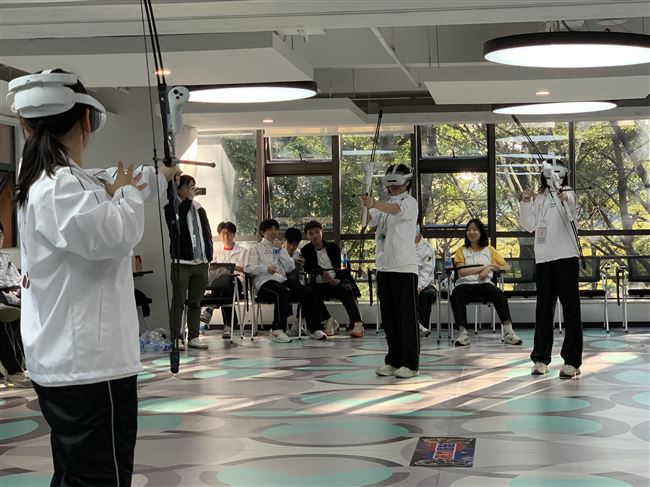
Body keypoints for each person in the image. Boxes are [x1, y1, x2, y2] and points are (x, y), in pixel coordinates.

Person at [8, 68, 176, 485]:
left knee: (77, 473)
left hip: (72, 361)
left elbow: (107, 185)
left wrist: (152, 178)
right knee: (100, 477)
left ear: (26, 126)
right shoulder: (59, 186)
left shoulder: (49, 179)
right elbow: (114, 233)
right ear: (88, 119)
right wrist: (129, 192)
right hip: (89, 365)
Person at [520, 159, 583, 378]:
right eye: (547, 173)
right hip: (544, 259)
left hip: (566, 257)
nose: (552, 176)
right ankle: (540, 358)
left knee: (571, 310)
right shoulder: (539, 198)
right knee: (543, 310)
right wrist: (526, 202)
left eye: (556, 172)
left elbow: (570, 208)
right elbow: (529, 225)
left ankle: (572, 361)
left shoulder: (568, 192)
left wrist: (563, 195)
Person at [362, 164, 420, 379]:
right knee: (389, 318)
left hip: (404, 268)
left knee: (406, 318)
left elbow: (395, 210)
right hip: (384, 267)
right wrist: (366, 205)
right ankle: (393, 361)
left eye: (398, 183)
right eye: (390, 183)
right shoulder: (382, 207)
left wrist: (375, 203)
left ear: (407, 182)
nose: (394, 187)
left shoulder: (409, 202)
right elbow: (367, 221)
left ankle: (410, 363)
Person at [246, 219, 327, 342]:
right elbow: (249, 268)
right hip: (264, 284)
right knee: (282, 291)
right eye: (270, 229)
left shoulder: (279, 248)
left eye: (276, 229)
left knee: (308, 292)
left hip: (281, 281)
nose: (274, 232)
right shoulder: (256, 249)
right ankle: (276, 330)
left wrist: (282, 250)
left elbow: (290, 267)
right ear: (263, 232)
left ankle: (314, 329)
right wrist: (266, 268)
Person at [450, 219, 522, 347]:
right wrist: (484, 267)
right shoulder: (461, 250)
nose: (471, 232)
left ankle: (509, 333)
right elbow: (462, 272)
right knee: (456, 295)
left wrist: (490, 268)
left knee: (499, 293)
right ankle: (463, 334)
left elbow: (506, 267)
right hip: (465, 285)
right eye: (468, 230)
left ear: (481, 232)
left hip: (485, 284)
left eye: (475, 229)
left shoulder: (490, 249)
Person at [164, 174, 212, 350]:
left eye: (193, 186)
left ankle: (193, 336)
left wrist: (209, 255)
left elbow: (206, 232)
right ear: (178, 190)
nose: (191, 190)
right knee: (178, 302)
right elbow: (176, 224)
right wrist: (188, 201)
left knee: (195, 302)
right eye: (187, 187)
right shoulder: (171, 207)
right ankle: (176, 337)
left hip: (201, 262)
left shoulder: (199, 208)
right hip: (181, 262)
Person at [300, 220, 365, 337]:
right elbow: (308, 267)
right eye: (311, 233)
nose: (314, 236)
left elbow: (345, 265)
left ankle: (357, 323)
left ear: (322, 232)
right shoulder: (306, 250)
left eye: (317, 232)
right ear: (307, 235)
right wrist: (322, 272)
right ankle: (328, 320)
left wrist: (338, 278)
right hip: (319, 284)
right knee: (310, 293)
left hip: (338, 282)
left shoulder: (333, 247)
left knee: (345, 288)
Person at [200, 221, 247, 339]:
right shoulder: (216, 251)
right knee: (225, 291)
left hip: (237, 282)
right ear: (219, 235)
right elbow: (211, 269)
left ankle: (210, 307)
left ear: (234, 234)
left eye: (229, 233)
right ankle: (228, 326)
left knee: (226, 281)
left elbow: (247, 269)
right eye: (223, 233)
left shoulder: (242, 251)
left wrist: (230, 267)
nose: (226, 236)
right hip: (221, 285)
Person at [0, 222, 30, 388]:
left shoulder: (6, 260)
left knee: (24, 313)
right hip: (3, 299)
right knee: (4, 317)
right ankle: (15, 371)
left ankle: (23, 367)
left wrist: (19, 294)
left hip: (12, 297)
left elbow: (18, 281)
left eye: (0, 235)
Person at [415, 225, 436, 337]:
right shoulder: (403, 246)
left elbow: (427, 272)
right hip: (407, 282)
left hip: (426, 284)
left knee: (425, 295)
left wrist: (419, 286)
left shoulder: (428, 248)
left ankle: (422, 327)